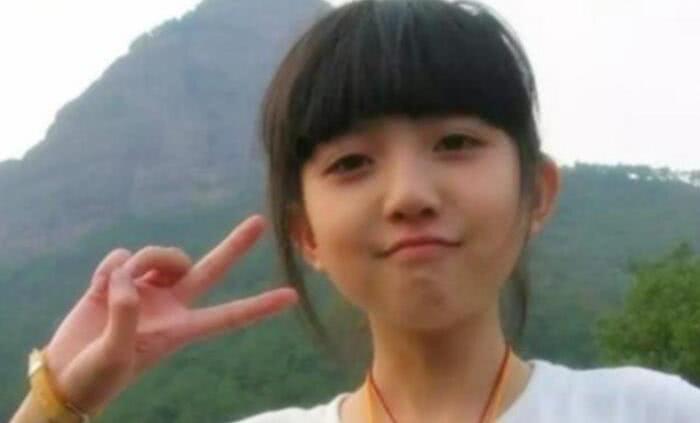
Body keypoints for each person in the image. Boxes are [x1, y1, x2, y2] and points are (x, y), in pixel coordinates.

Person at [10, 0, 700, 422]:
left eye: (455, 143)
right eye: (351, 163)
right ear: (306, 231)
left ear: (537, 193)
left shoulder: (649, 411)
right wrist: (57, 401)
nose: (408, 195)